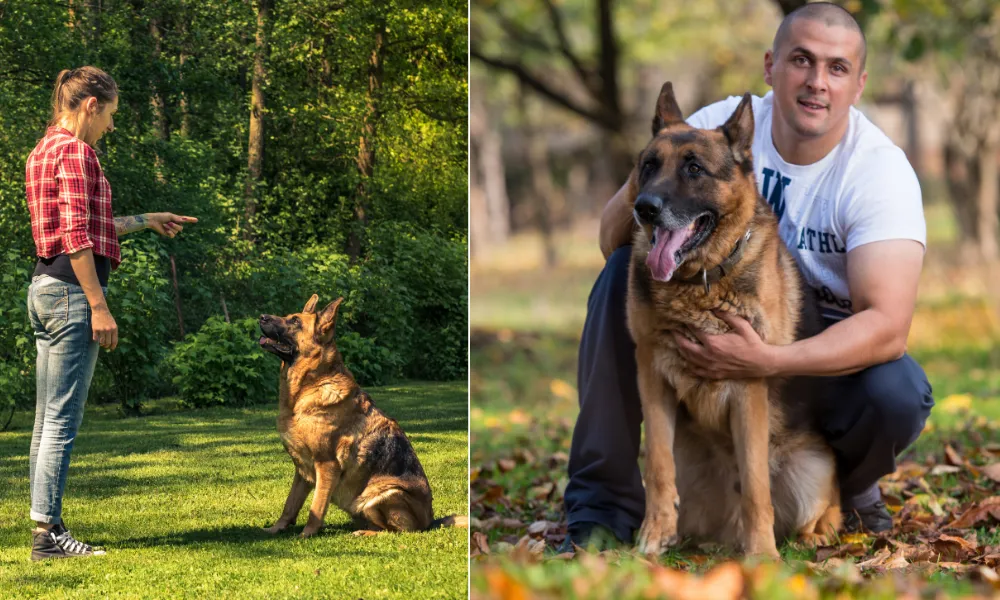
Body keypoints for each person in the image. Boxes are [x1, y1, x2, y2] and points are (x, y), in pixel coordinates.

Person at [561, 3, 934, 551]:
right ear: (770, 66)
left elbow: (887, 327)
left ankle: (851, 489)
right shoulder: (709, 131)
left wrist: (768, 360)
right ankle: (599, 510)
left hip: (820, 342)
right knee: (619, 273)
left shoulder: (878, 172)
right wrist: (653, 176)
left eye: (836, 68)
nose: (816, 82)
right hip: (707, 303)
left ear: (858, 84)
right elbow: (609, 235)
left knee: (897, 389)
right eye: (801, 60)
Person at [25, 66, 198, 560]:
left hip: (44, 287)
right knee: (61, 420)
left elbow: (88, 227)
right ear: (91, 105)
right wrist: (99, 306)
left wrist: (149, 220)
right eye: (112, 115)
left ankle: (44, 525)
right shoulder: (78, 153)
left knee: (45, 420)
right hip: (71, 294)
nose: (112, 127)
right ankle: (48, 535)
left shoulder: (43, 151)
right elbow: (78, 237)